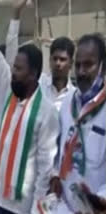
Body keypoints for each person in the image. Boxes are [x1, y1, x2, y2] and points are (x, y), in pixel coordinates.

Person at [0, 0, 59, 213]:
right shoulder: (8, 91)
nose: (12, 72)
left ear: (33, 74)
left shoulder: (46, 112)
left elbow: (44, 170)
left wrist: (36, 209)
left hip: (24, 207)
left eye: (18, 69)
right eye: (13, 67)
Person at [50, 34, 106, 214]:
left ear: (102, 67)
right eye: (78, 65)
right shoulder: (68, 103)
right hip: (64, 206)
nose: (81, 72)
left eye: (88, 64)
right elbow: (58, 150)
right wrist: (55, 175)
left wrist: (101, 200)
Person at [4, 0, 75, 111]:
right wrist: (16, 15)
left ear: (71, 63)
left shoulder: (75, 96)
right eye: (55, 59)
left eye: (62, 59)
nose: (58, 63)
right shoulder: (39, 85)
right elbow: (12, 58)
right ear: (49, 60)